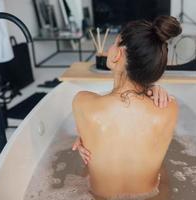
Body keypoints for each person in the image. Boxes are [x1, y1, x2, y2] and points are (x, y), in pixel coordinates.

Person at [72, 15, 181, 199]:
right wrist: (150, 88)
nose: (109, 49)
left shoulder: (82, 102)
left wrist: (82, 138)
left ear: (118, 54)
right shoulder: (169, 108)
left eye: (113, 43)